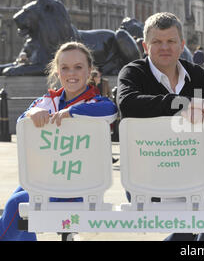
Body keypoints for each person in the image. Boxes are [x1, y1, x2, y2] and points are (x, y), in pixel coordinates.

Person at [117, 12, 204, 241]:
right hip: (146, 177)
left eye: (171, 41)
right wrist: (182, 106)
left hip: (192, 173)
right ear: (145, 45)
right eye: (157, 42)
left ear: (182, 45)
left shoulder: (197, 75)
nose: (165, 47)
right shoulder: (133, 72)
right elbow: (128, 104)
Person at [0, 41, 117, 241]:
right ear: (56, 71)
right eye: (65, 68)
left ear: (89, 71)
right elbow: (23, 121)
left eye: (78, 67)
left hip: (77, 184)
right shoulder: (48, 100)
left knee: (16, 206)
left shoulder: (96, 102)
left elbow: (110, 111)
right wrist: (33, 113)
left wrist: (71, 112)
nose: (72, 73)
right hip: (42, 179)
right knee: (17, 203)